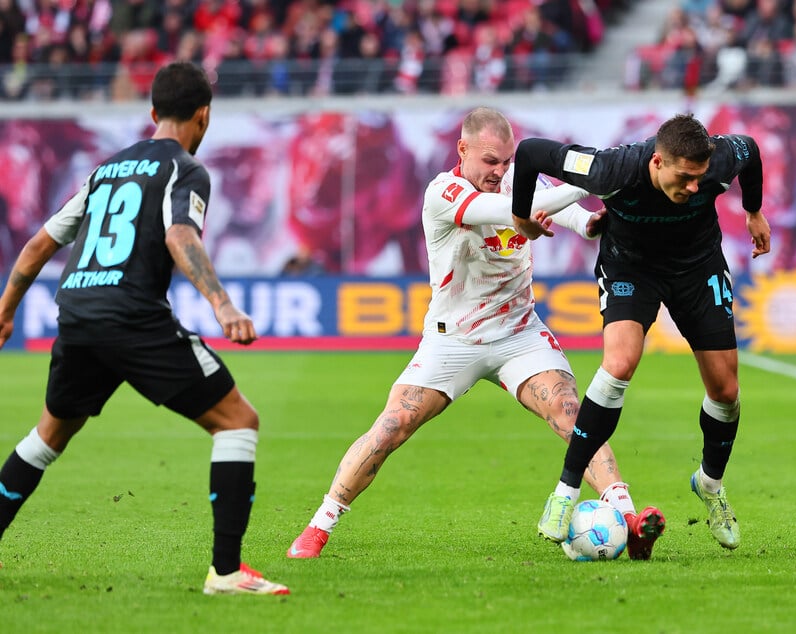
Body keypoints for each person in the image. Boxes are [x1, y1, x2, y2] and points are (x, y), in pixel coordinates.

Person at [287, 107, 666, 562]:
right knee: (393, 425)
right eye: (490, 161)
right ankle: (318, 526)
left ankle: (629, 519)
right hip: (454, 339)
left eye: (507, 161)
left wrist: (593, 221)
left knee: (571, 412)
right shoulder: (443, 193)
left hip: (519, 334)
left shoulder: (517, 180)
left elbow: (572, 218)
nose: (500, 171)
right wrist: (599, 176)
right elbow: (511, 211)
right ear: (462, 149)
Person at [0, 62, 288, 595]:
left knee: (47, 437)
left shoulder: (105, 170)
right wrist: (223, 304)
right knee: (237, 421)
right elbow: (180, 235)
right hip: (130, 315)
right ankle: (226, 573)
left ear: (153, 112)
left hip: (77, 314)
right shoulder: (185, 168)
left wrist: (4, 311)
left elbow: (40, 244)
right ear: (204, 116)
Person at [510, 113, 771, 551]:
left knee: (726, 390)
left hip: (697, 268)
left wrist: (754, 211)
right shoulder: (611, 169)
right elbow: (531, 152)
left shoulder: (719, 159)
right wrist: (521, 217)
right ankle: (564, 493)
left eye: (700, 178)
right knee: (619, 363)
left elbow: (753, 150)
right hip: (631, 267)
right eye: (684, 178)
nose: (694, 188)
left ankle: (709, 484)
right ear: (657, 162)